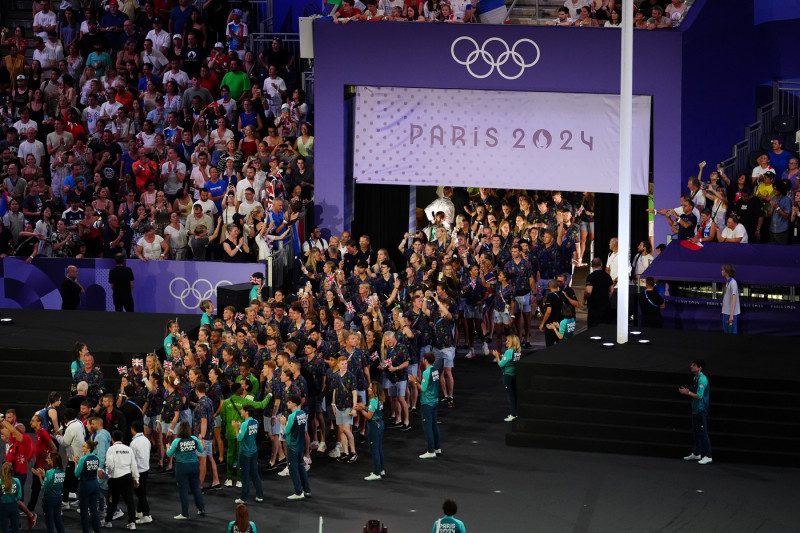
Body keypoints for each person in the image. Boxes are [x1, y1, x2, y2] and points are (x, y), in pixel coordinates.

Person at [165, 421, 205, 520]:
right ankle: (201, 509)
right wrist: (201, 441)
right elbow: (201, 450)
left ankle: (185, 513)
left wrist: (167, 448)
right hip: (194, 466)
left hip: (182, 467)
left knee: (183, 490)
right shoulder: (194, 439)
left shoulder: (176, 441)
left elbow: (169, 454)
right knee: (196, 488)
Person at [679, 360, 712, 465]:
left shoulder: (702, 379)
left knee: (703, 433)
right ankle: (697, 453)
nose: (691, 366)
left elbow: (699, 396)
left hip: (701, 410)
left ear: (700, 368)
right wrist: (689, 390)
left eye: (694, 365)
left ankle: (708, 456)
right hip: (695, 409)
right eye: (692, 364)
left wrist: (687, 392)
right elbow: (695, 391)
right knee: (696, 432)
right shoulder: (695, 378)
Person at [410, 352, 440, 459]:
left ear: (426, 360)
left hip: (427, 402)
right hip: (435, 400)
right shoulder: (435, 370)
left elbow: (423, 388)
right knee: (434, 426)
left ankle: (431, 451)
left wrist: (414, 382)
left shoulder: (426, 372)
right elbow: (431, 383)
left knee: (428, 427)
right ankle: (437, 448)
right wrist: (419, 380)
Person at [280, 395, 311, 500]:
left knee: (293, 469)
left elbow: (286, 431)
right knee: (301, 467)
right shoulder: (302, 413)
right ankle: (307, 490)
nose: (287, 404)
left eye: (289, 402)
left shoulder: (292, 416)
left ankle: (298, 492)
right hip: (300, 444)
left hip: (292, 445)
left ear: (293, 403)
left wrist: (284, 423)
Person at [353, 381, 385, 481]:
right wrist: (364, 407)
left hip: (374, 426)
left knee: (374, 449)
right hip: (380, 424)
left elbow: (369, 416)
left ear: (374, 390)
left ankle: (376, 473)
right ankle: (381, 469)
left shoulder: (373, 401)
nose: (368, 389)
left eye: (370, 388)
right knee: (379, 448)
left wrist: (360, 410)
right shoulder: (379, 399)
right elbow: (372, 410)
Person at [232, 405, 264, 505]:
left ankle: (243, 498)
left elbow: (239, 438)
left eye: (242, 410)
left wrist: (236, 428)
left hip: (244, 453)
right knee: (255, 474)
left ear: (246, 412)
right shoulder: (255, 421)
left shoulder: (245, 424)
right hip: (254, 451)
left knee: (245, 476)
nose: (241, 411)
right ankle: (260, 495)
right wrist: (241, 426)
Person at [491, 334, 521, 422]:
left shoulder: (509, 352)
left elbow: (501, 364)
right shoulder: (517, 351)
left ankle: (513, 414)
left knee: (510, 396)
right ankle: (515, 412)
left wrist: (496, 356)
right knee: (514, 395)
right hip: (514, 375)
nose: (506, 342)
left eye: (508, 341)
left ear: (512, 342)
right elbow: (509, 360)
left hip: (507, 376)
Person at [32, 452, 64, 533]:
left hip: (49, 499)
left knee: (49, 521)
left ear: (52, 460)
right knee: (58, 520)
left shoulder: (50, 472)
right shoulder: (62, 471)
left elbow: (44, 485)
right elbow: (52, 480)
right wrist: (44, 475)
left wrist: (39, 475)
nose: (47, 459)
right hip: (58, 498)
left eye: (49, 458)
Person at [74, 440, 102, 533]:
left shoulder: (83, 459)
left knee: (84, 512)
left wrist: (76, 463)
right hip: (95, 485)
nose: (82, 447)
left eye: (84, 446)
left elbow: (77, 474)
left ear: (89, 449)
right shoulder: (97, 458)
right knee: (94, 512)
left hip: (85, 486)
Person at [128, 421, 152, 525]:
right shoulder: (146, 440)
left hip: (138, 471)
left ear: (133, 429)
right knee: (142, 492)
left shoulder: (134, 443)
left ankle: (147, 515)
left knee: (140, 494)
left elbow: (131, 458)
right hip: (146, 469)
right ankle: (139, 511)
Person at [583, 257, 613, 328]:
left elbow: (588, 291)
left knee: (593, 327)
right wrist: (607, 298)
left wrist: (584, 299)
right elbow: (611, 290)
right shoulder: (607, 276)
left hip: (594, 306)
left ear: (591, 265)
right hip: (605, 305)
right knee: (604, 327)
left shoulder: (591, 277)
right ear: (601, 265)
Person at [0, 462, 23, 533]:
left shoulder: (0, 482)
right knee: (16, 529)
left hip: (3, 507)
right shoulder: (17, 481)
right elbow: (19, 496)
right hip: (14, 507)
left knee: (4, 530)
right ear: (12, 470)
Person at [721, 263, 740, 334]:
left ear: (727, 272)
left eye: (723, 270)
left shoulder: (733, 283)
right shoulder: (728, 282)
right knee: (727, 332)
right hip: (726, 312)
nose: (721, 271)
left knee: (732, 333)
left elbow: (734, 299)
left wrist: (731, 316)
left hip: (730, 314)